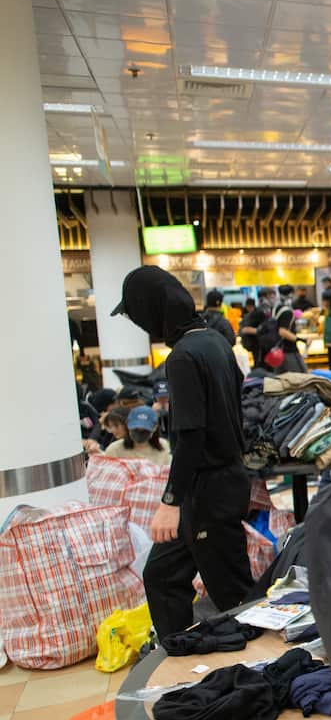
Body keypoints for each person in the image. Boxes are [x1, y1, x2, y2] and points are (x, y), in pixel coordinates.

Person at [112, 266, 252, 640]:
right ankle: (178, 651)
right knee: (161, 575)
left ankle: (265, 668)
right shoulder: (215, 342)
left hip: (208, 491)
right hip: (218, 483)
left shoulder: (183, 357)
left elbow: (191, 436)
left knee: (235, 596)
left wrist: (169, 502)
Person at [104, 405, 172, 466]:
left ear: (155, 428)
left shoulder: (164, 446)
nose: (139, 433)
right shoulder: (114, 450)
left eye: (145, 430)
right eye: (135, 429)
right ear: (128, 425)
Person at [240, 289, 277, 366]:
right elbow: (245, 329)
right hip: (259, 346)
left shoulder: (265, 310)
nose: (274, 298)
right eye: (271, 296)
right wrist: (259, 331)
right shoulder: (260, 311)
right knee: (262, 365)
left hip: (263, 345)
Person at [274, 304, 308, 373]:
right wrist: (301, 340)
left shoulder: (278, 309)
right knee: (301, 375)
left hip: (279, 352)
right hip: (288, 352)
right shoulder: (288, 313)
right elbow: (282, 331)